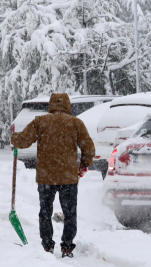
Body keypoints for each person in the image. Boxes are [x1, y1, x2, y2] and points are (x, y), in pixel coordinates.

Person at [11, 93, 95, 258]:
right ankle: (67, 247)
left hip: (46, 177)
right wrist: (84, 164)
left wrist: (14, 138)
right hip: (68, 178)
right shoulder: (75, 123)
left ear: (51, 105)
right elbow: (89, 148)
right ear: (67, 105)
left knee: (45, 212)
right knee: (70, 213)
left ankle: (47, 246)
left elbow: (23, 140)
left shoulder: (40, 122)